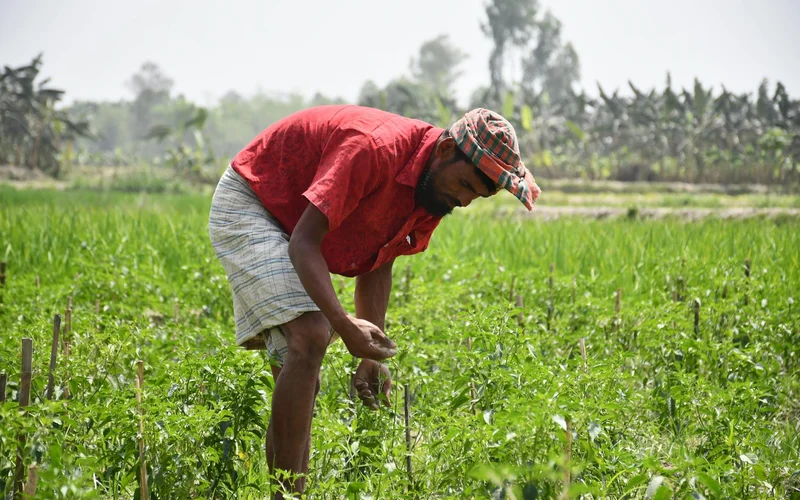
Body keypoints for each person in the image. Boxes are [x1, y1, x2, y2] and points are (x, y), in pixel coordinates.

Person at [207, 104, 540, 497]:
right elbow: (304, 242)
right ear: (446, 149)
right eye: (466, 185)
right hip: (254, 201)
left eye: (476, 196)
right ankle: (288, 495)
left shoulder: (434, 191)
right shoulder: (372, 149)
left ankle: (288, 492)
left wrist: (370, 355)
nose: (465, 201)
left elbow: (378, 261)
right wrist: (344, 326)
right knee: (311, 335)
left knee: (299, 369)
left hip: (291, 220)